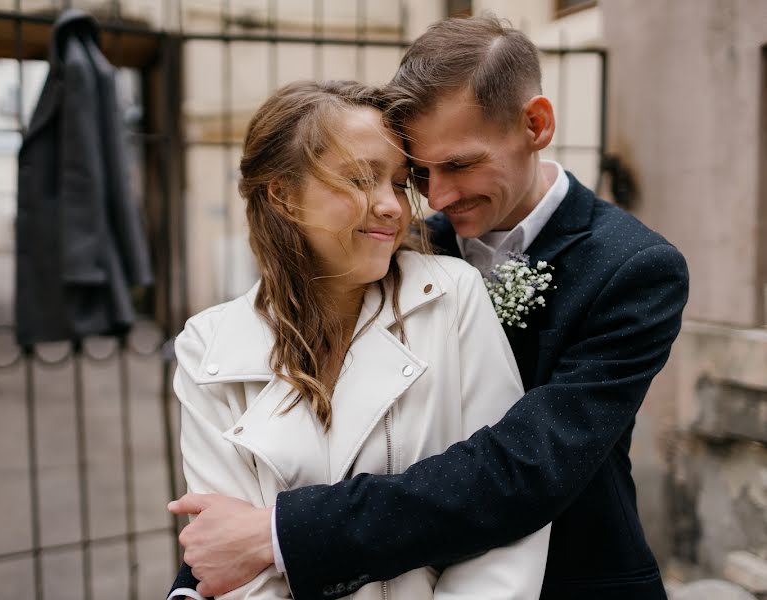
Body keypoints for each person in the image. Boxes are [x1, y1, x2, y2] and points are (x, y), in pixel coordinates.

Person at [168, 14, 690, 600]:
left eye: (460, 165)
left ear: (536, 125)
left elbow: (526, 467)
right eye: (418, 174)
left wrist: (281, 532)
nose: (432, 199)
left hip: (576, 576)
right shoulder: (397, 249)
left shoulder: (633, 268)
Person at [167, 79, 551, 600]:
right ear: (283, 194)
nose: (393, 206)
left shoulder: (449, 296)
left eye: (397, 183)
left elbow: (500, 510)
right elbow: (229, 558)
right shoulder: (207, 347)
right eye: (360, 179)